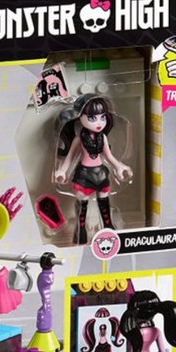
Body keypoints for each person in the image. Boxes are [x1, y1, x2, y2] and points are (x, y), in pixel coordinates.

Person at [54, 94, 133, 244]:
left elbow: (109, 156)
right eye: (92, 118)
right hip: (84, 175)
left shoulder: (103, 138)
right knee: (82, 208)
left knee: (104, 205)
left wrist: (120, 166)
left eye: (102, 117)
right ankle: (81, 232)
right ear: (80, 117)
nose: (99, 122)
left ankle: (108, 228)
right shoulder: (79, 139)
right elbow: (70, 157)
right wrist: (62, 171)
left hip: (100, 174)